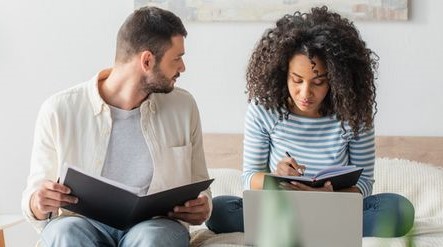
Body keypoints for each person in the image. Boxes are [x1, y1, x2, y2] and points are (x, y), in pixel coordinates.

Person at [206, 6, 414, 237]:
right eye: (296, 80)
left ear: (337, 80)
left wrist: (330, 197)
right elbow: (249, 178)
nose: (305, 93)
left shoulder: (353, 112)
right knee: (218, 210)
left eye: (318, 82)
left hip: (335, 206)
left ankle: (298, 228)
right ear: (282, 73)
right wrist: (276, 178)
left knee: (398, 210)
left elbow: (364, 183)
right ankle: (316, 227)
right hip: (282, 206)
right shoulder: (264, 110)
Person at [21, 6, 211, 247]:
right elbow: (34, 196)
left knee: (154, 239)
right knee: (65, 234)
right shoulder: (59, 110)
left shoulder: (183, 107)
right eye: (177, 58)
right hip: (80, 224)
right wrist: (37, 203)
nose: (182, 67)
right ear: (147, 60)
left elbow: (201, 184)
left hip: (154, 225)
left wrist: (203, 206)